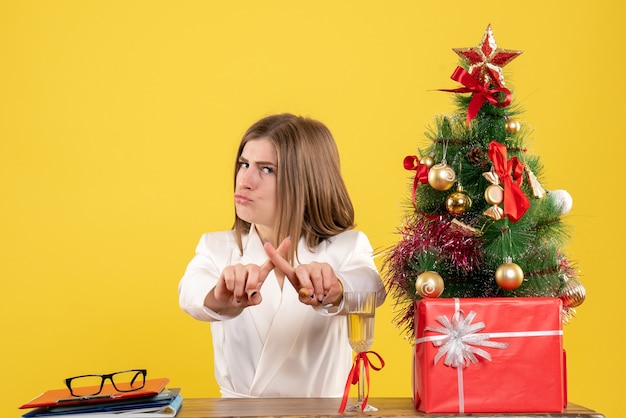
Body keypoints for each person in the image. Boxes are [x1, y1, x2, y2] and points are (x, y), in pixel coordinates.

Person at [178, 113, 386, 398]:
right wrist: (220, 295)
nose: (245, 180)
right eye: (244, 164)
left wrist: (335, 288)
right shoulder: (215, 248)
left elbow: (370, 285)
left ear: (307, 181)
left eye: (267, 170)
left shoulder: (346, 246)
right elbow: (190, 292)